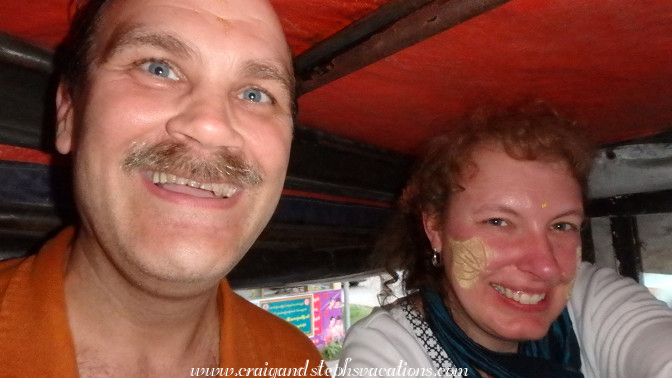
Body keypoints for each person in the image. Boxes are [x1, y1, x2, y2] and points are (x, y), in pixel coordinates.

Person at [0, 0, 325, 376]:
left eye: (255, 94)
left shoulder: (297, 363)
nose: (210, 126)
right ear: (69, 112)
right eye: (159, 68)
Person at [339, 105, 672, 377]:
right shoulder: (388, 351)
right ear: (435, 229)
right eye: (498, 221)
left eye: (561, 226)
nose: (544, 265)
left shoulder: (590, 298)